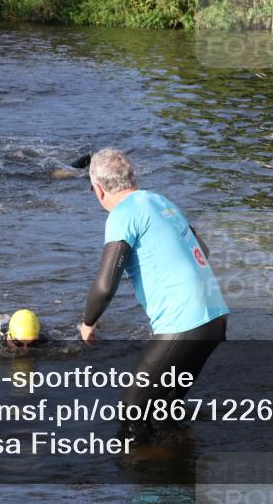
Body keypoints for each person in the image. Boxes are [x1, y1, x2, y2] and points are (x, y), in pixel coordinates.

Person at [80, 148, 229, 439]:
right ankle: (176, 475)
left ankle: (145, 476)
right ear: (131, 177)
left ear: (98, 189)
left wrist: (88, 323)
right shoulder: (161, 201)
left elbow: (105, 283)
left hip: (184, 324)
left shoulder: (122, 214)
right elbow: (204, 251)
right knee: (165, 412)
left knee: (130, 413)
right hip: (215, 318)